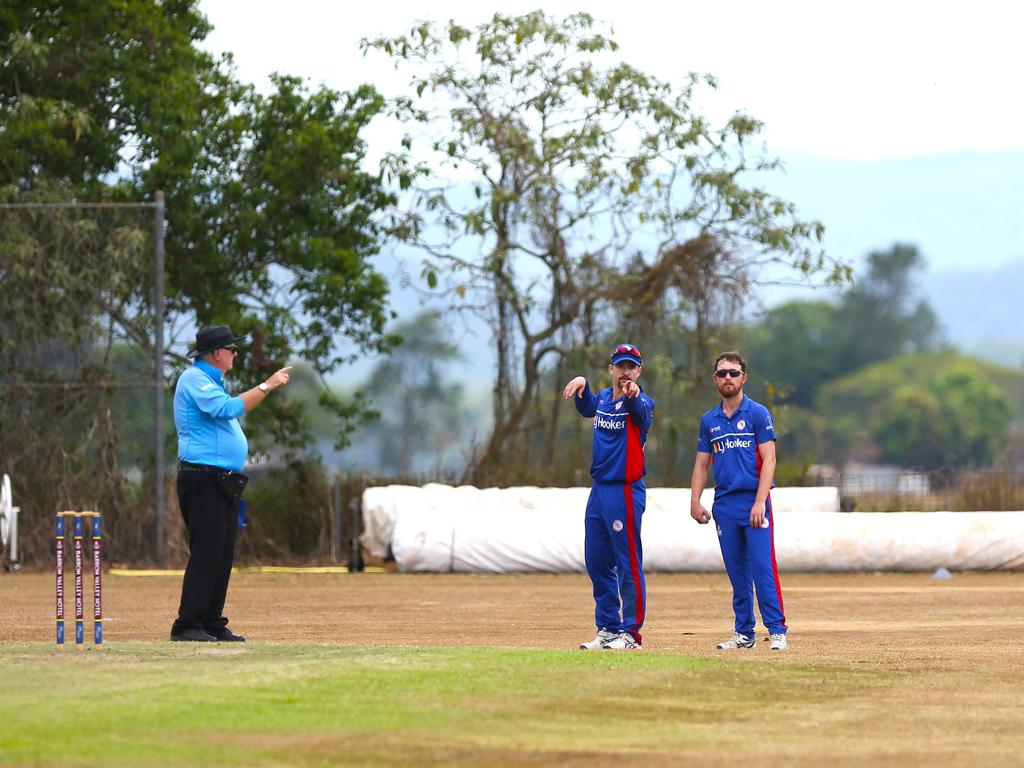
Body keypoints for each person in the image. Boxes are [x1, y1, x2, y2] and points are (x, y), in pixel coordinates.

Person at [170, 325, 293, 642]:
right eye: (232, 349)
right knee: (207, 552)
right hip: (202, 478)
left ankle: (211, 621)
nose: (236, 354)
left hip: (221, 480)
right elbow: (227, 409)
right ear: (217, 353)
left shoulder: (212, 381)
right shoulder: (195, 379)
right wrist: (267, 385)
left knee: (222, 553)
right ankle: (187, 624)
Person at [689, 351, 788, 651]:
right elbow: (702, 465)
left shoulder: (757, 413)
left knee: (762, 566)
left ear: (744, 377)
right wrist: (695, 501)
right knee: (737, 571)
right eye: (722, 374)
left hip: (754, 502)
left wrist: (761, 501)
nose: (727, 378)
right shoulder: (710, 420)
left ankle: (777, 630)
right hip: (725, 505)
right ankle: (744, 633)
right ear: (715, 379)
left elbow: (769, 460)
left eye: (733, 373)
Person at [563, 343, 655, 651]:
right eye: (621, 365)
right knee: (596, 560)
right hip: (599, 489)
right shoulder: (603, 398)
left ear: (639, 371)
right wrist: (581, 384)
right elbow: (587, 406)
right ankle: (607, 628)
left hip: (625, 490)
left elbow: (639, 410)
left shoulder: (641, 402)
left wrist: (634, 396)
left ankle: (631, 634)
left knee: (627, 562)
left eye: (631, 366)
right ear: (611, 369)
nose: (626, 371)